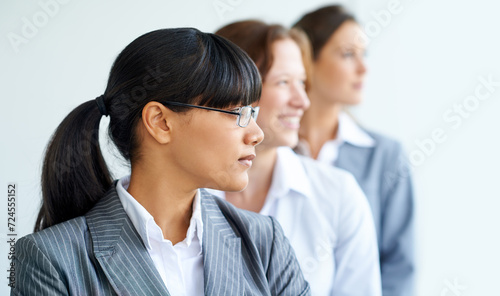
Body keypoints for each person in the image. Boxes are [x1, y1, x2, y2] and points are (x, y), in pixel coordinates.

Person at [11, 28, 310, 296]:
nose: (256, 134)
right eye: (237, 114)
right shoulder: (51, 260)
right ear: (160, 122)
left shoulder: (264, 242)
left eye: (253, 113)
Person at [212, 20, 381, 296]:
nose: (302, 101)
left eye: (302, 83)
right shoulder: (186, 195)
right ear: (233, 89)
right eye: (283, 82)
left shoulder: (338, 194)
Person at [293, 5, 415, 296]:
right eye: (348, 54)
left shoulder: (385, 155)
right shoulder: (265, 148)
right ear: (307, 60)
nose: (363, 68)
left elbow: (399, 266)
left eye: (364, 55)